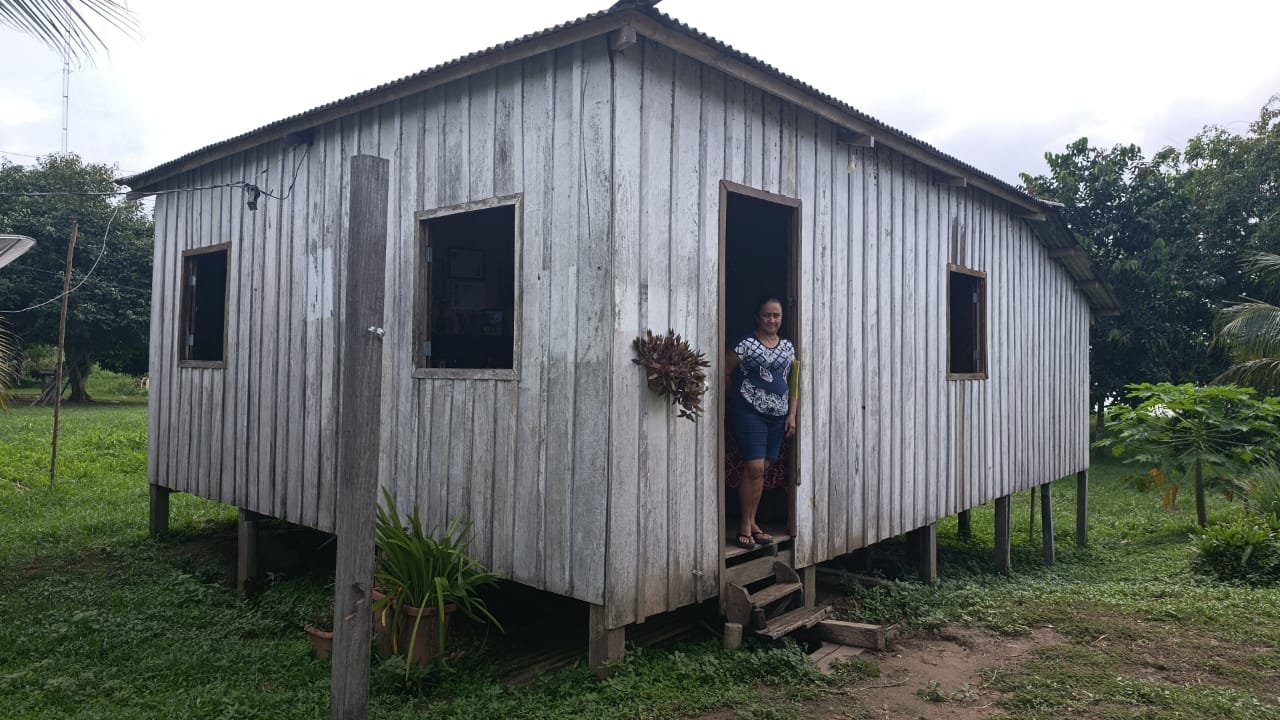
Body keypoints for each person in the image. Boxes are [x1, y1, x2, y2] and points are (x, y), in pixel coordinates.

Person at [725, 298, 798, 550]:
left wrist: (792, 414)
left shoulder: (788, 347)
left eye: (776, 316)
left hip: (778, 417)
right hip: (749, 413)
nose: (772, 320)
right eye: (767, 315)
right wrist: (734, 400)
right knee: (754, 467)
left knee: (762, 470)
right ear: (758, 317)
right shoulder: (746, 344)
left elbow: (794, 382)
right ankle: (745, 526)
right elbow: (725, 370)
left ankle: (753, 521)